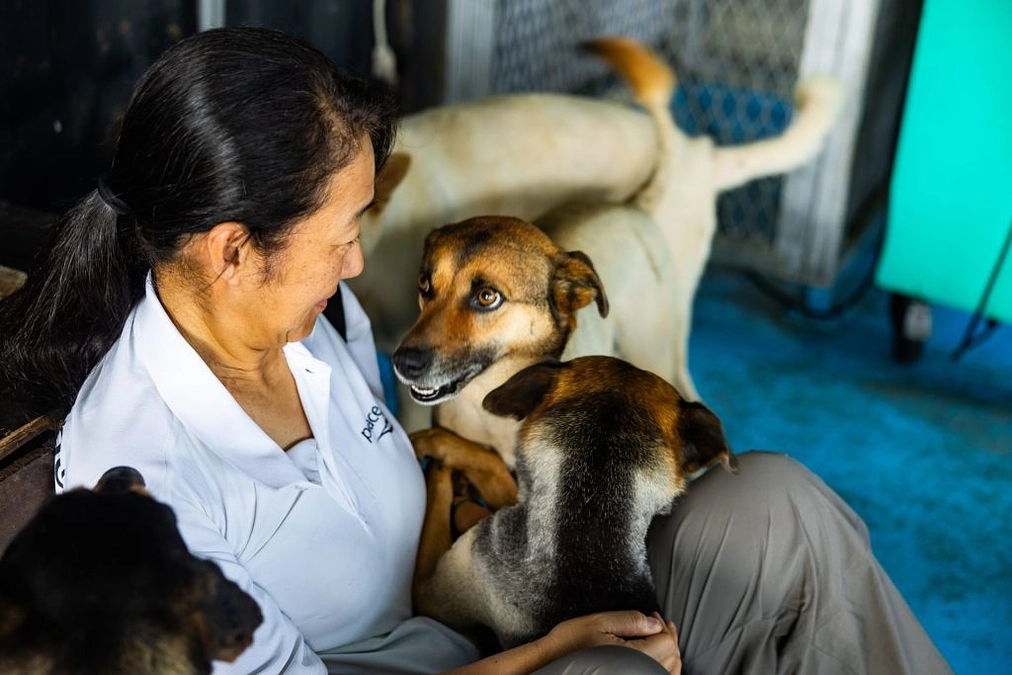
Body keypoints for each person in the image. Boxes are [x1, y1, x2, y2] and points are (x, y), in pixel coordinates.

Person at [0, 26, 950, 675]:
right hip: (498, 654)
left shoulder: (317, 321)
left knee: (773, 502)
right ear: (234, 250)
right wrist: (548, 649)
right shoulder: (143, 486)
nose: (359, 262)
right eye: (342, 234)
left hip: (480, 608)